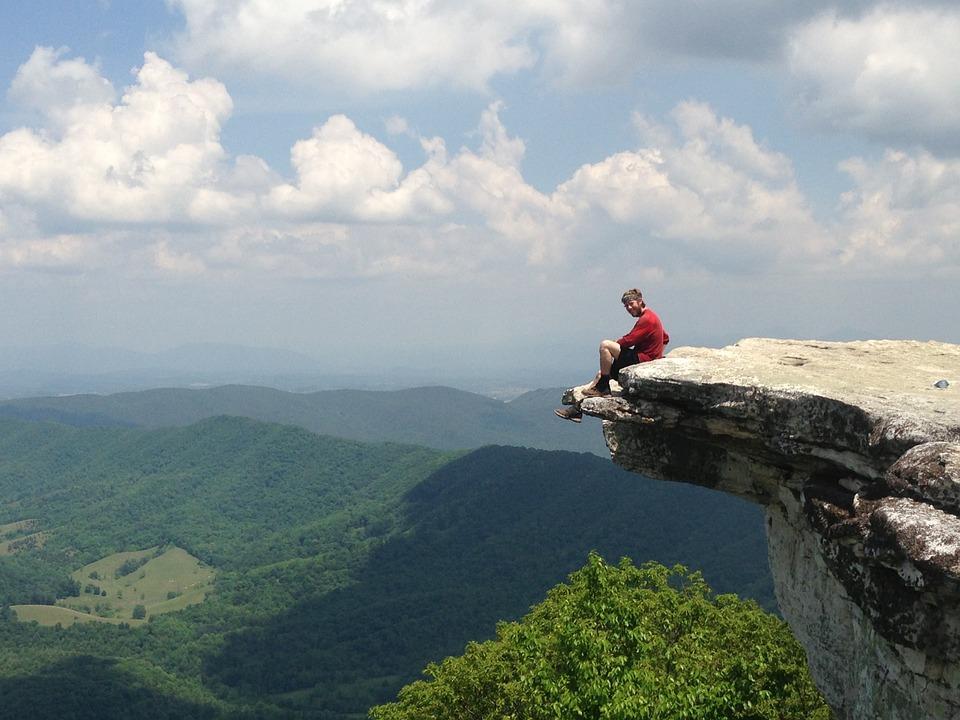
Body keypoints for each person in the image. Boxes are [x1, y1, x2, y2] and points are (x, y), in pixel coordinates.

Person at [555, 288, 669, 422]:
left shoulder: (647, 319)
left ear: (640, 301)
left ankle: (602, 387)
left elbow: (629, 340)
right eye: (626, 305)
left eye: (631, 303)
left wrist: (617, 343)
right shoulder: (652, 317)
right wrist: (657, 354)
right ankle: (577, 410)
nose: (628, 307)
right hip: (643, 357)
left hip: (641, 359)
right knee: (601, 374)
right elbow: (666, 338)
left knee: (605, 345)